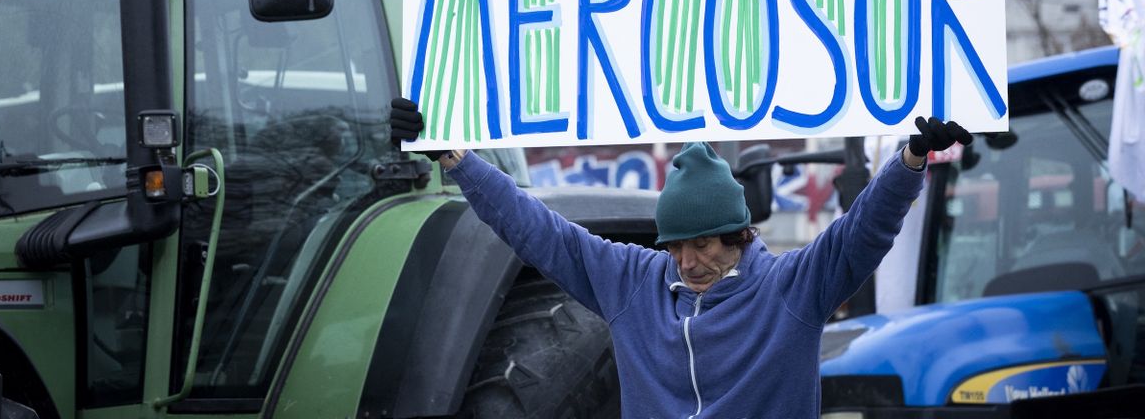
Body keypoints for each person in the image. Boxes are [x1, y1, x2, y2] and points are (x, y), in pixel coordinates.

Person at [389, 98, 970, 418]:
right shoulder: (634, 284)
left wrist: (909, 161)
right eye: (674, 246)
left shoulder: (792, 289)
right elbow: (540, 231)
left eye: (703, 245)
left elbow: (862, 233)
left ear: (739, 235)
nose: (686, 262)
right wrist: (457, 159)